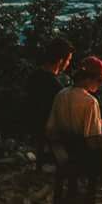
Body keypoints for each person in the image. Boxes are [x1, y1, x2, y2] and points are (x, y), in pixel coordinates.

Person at [46, 56, 102, 204]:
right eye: (99, 81)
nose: (101, 84)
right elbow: (92, 141)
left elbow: (50, 128)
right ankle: (96, 197)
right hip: (83, 157)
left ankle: (69, 201)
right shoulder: (90, 102)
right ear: (88, 79)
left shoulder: (61, 94)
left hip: (63, 152)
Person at [27, 36, 74, 171]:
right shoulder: (55, 86)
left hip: (32, 124)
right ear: (60, 61)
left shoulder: (34, 76)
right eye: (69, 60)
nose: (68, 63)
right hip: (48, 129)